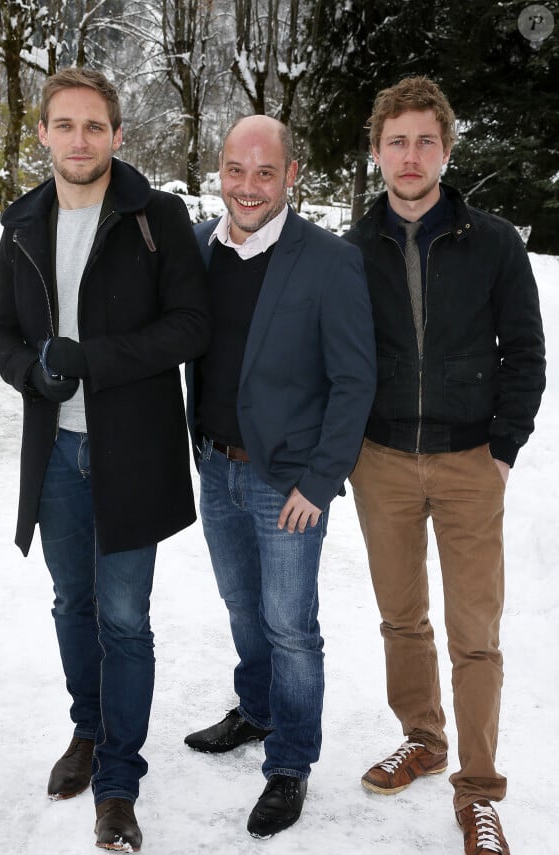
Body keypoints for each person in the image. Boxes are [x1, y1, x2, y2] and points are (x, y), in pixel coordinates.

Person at [0, 68, 210, 851]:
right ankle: (88, 728)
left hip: (130, 452)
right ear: (43, 133)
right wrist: (31, 369)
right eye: (64, 125)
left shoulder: (156, 217)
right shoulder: (22, 224)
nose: (79, 140)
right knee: (71, 605)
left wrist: (95, 359)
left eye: (94, 126)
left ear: (117, 134)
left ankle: (118, 776)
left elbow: (190, 326)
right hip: (55, 457)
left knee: (123, 618)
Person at [344, 76, 546, 855]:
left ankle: (481, 790)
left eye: (426, 140)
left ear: (446, 149)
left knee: (475, 633)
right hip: (383, 461)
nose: (410, 155)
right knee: (401, 616)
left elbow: (525, 352)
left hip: (468, 462)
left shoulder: (493, 241)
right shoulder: (351, 250)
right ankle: (423, 738)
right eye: (397, 141)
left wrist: (502, 450)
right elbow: (337, 354)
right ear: (377, 150)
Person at [184, 114, 376, 838]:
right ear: (220, 170)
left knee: (291, 626)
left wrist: (320, 480)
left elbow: (355, 380)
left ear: (292, 175)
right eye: (237, 170)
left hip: (288, 482)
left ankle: (291, 760)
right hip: (216, 465)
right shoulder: (201, 246)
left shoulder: (328, 261)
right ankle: (258, 710)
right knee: (241, 606)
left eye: (266, 172)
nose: (249, 187)